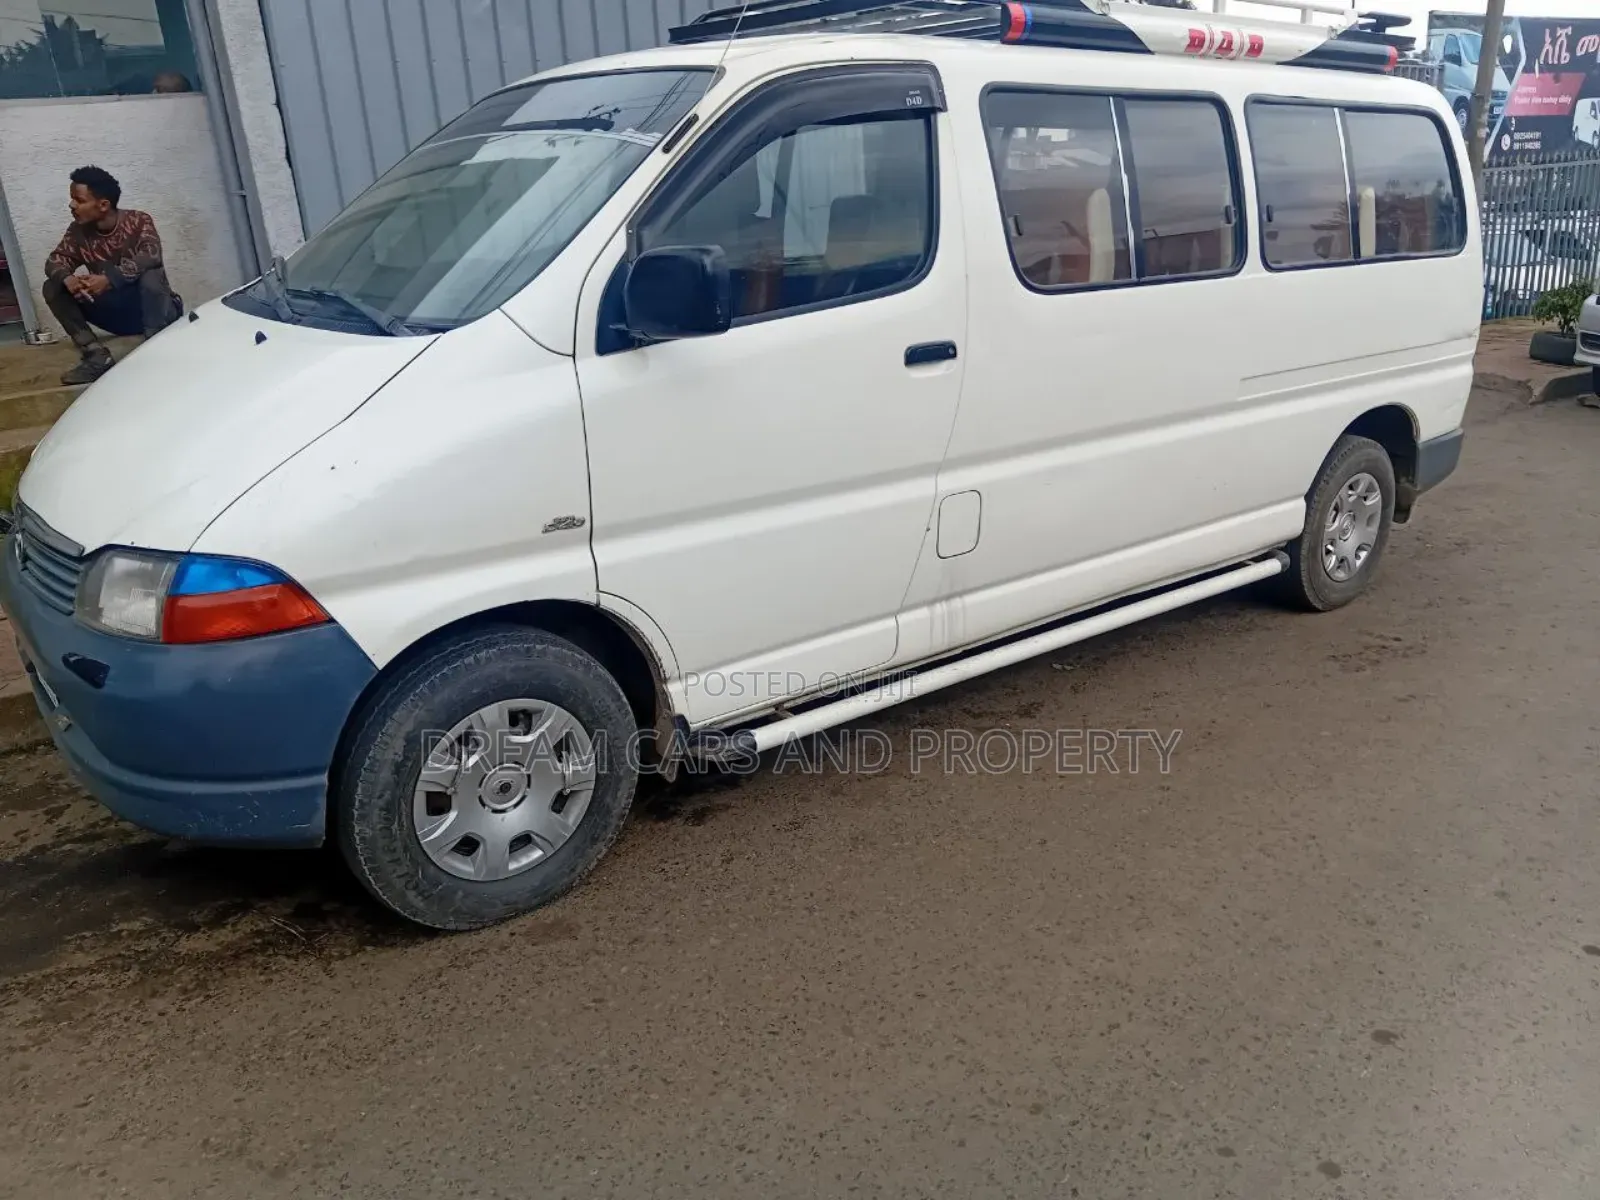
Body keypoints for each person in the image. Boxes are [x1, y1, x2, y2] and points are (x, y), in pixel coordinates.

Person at [42, 165, 184, 385]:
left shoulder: (138, 221)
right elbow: (55, 260)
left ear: (103, 205)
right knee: (53, 286)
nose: (71, 205)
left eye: (79, 200)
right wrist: (69, 279)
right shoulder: (77, 232)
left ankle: (158, 347)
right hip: (117, 316)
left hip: (156, 309)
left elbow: (151, 255)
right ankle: (96, 356)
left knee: (151, 275)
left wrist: (109, 280)